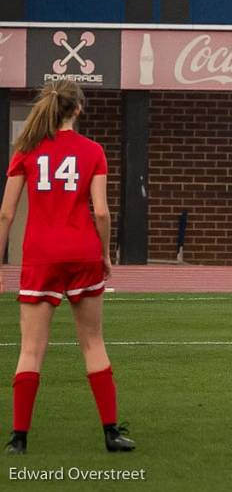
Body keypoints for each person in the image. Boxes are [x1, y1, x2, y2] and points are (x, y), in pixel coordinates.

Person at [1, 82, 134, 455]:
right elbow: (103, 212)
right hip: (82, 252)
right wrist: (105, 254)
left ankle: (19, 439)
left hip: (40, 254)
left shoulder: (26, 148)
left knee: (30, 349)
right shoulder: (92, 150)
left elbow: (6, 213)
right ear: (77, 110)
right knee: (93, 343)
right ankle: (111, 433)